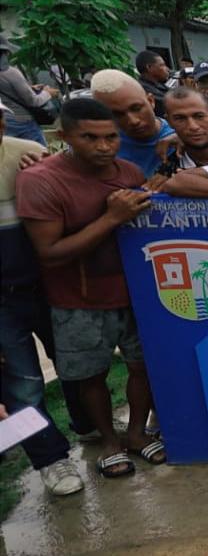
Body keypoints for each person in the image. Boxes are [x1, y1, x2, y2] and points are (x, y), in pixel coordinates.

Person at [16, 98, 165, 479]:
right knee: (91, 376)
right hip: (77, 300)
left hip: (134, 293)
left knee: (142, 366)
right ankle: (107, 441)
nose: (103, 146)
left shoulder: (128, 171)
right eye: (90, 138)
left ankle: (135, 432)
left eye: (110, 137)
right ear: (64, 136)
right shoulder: (40, 180)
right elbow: (49, 253)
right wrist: (112, 217)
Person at [0, 102, 85, 496]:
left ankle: (90, 427)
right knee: (22, 386)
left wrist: (42, 174)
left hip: (47, 284)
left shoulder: (24, 153)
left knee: (76, 361)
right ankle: (51, 459)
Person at [90, 69, 177, 180]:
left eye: (136, 108)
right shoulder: (101, 150)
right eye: (118, 114)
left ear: (151, 101)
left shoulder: (184, 135)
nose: (133, 121)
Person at [0, 38, 57, 146]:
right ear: (6, 53)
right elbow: (33, 101)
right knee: (40, 155)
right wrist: (48, 93)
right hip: (23, 122)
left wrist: (29, 87)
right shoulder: (11, 73)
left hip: (4, 121)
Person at [134, 50, 172, 119]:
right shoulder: (142, 89)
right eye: (162, 65)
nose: (167, 69)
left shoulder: (159, 85)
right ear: (149, 67)